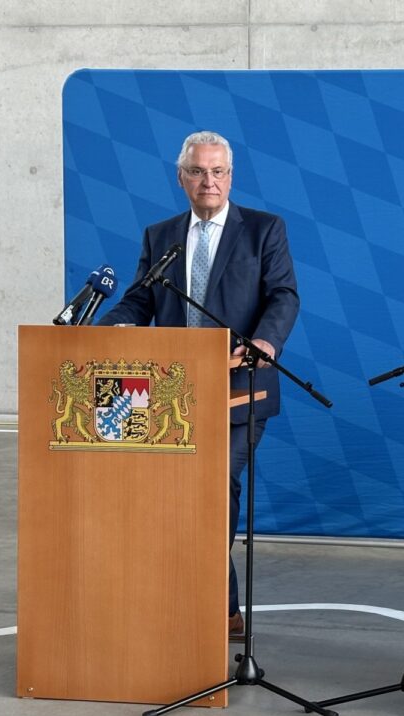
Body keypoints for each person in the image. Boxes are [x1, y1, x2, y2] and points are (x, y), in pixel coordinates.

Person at [98, 131, 299, 636]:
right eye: (198, 171)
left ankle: (213, 602)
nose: (208, 181)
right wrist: (119, 325)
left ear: (231, 176)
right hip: (171, 392)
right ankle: (221, 605)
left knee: (213, 486)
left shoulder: (263, 230)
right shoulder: (159, 235)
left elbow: (284, 296)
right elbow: (140, 299)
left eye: (218, 171)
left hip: (240, 389)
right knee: (177, 493)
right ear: (181, 177)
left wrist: (264, 344)